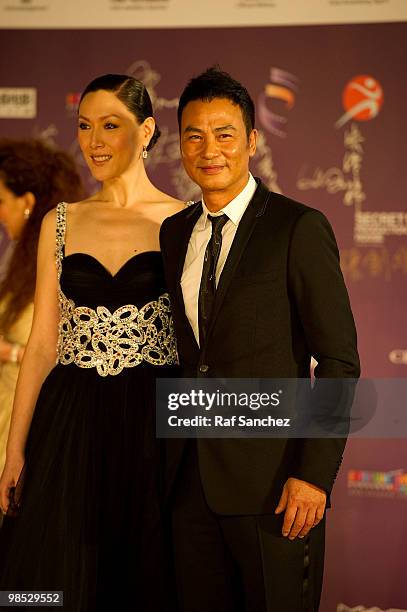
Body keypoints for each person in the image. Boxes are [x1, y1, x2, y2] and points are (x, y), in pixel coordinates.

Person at [159, 67, 360, 612]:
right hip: (189, 488)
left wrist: (313, 476)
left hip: (277, 489)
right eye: (194, 135)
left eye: (224, 134)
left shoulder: (297, 227)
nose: (209, 149)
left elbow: (339, 362)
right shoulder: (174, 233)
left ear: (252, 140)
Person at [0, 74, 184, 611]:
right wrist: (14, 449)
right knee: (53, 580)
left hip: (155, 424)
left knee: (148, 574)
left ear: (147, 130)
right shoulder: (61, 222)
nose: (95, 141)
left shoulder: (182, 221)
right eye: (84, 126)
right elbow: (41, 344)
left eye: (111, 126)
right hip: (72, 420)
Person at [0, 139, 84, 475]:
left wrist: (12, 353)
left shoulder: (59, 263)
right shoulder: (22, 265)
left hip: (33, 436)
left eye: (2, 201)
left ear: (29, 202)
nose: (0, 213)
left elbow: (62, 349)